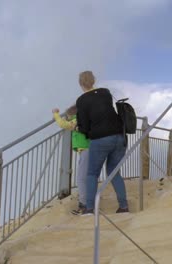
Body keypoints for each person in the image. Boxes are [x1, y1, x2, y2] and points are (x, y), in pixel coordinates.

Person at [75, 71, 129, 215]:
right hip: (119, 137)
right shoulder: (105, 93)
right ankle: (124, 206)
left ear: (80, 84)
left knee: (92, 174)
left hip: (100, 140)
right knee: (114, 173)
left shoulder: (81, 100)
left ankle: (90, 208)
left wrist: (78, 128)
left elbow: (85, 127)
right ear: (94, 80)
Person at [52, 105, 90, 215]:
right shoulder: (83, 120)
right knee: (86, 177)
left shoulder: (77, 121)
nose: (68, 119)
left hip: (86, 151)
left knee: (81, 179)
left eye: (69, 117)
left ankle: (84, 204)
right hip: (87, 150)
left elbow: (63, 124)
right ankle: (88, 203)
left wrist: (56, 114)